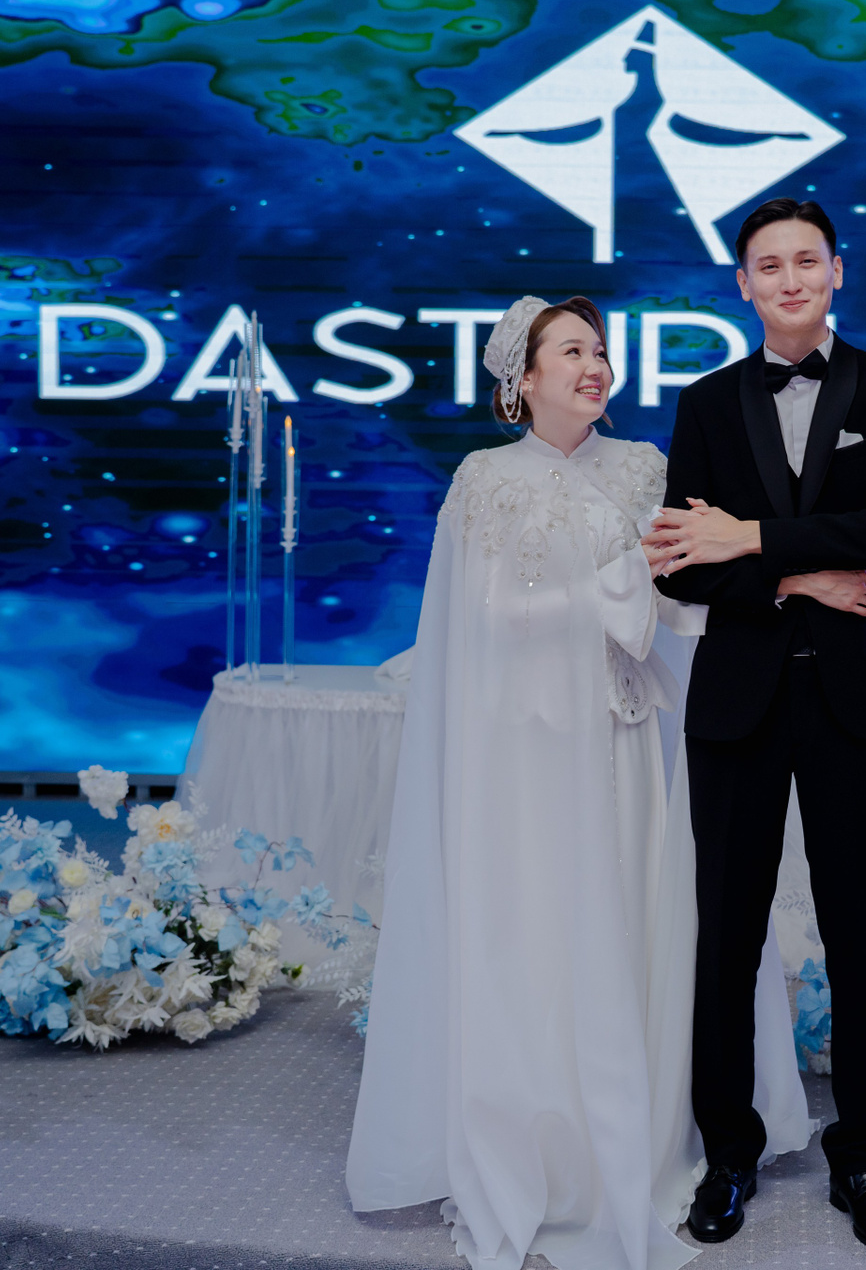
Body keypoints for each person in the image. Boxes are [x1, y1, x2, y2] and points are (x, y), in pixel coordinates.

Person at [346, 295, 811, 1270]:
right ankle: (543, 1127)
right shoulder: (485, 479)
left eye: (600, 351)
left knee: (640, 913)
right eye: (571, 352)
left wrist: (700, 580)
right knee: (540, 925)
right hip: (526, 750)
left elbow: (683, 596)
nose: (595, 366)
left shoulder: (642, 466)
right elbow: (487, 619)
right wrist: (617, 582)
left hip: (628, 734)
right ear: (523, 379)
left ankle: (648, 1123)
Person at [646, 199, 866, 1256]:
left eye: (807, 260)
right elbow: (682, 560)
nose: (791, 279)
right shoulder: (707, 401)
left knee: (857, 932)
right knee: (728, 931)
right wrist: (804, 573)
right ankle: (729, 1154)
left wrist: (753, 536)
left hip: (855, 695)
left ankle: (864, 1159)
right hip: (739, 698)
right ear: (744, 285)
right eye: (769, 266)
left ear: (837, 271)